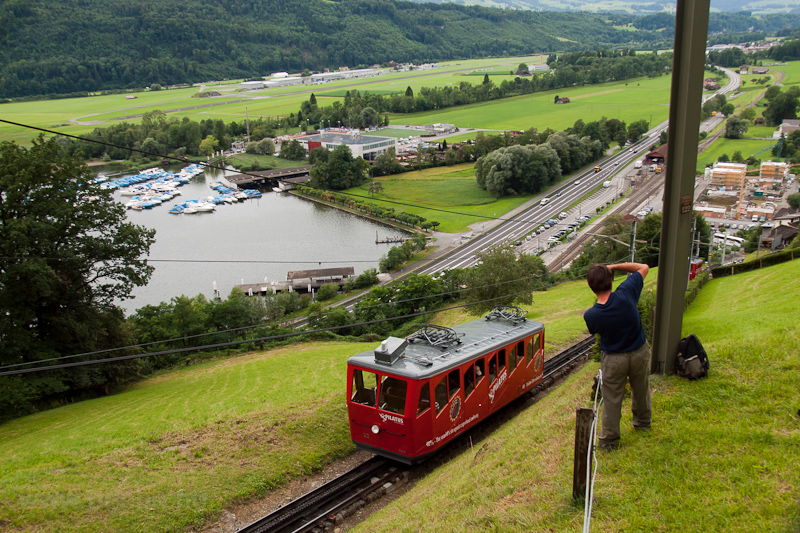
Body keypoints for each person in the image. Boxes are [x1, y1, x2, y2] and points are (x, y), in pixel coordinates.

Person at [583, 262, 651, 451]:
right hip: (639, 352)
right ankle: (643, 424)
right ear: (611, 280)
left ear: (591, 287)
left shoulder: (592, 315)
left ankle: (609, 441)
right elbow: (643, 267)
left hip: (613, 360)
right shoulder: (626, 293)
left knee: (612, 399)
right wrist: (613, 266)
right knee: (641, 389)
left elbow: (596, 331)